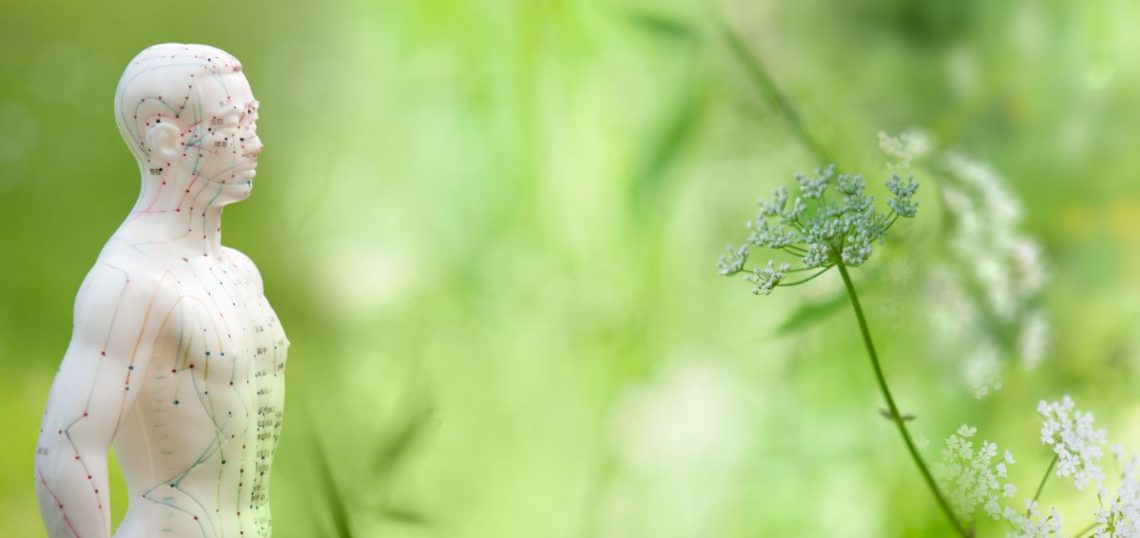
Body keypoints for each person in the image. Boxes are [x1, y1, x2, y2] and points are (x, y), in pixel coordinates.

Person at [34, 43, 287, 538]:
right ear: (165, 139)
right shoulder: (130, 282)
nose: (254, 144)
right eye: (231, 126)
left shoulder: (239, 272)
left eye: (251, 121)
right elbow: (66, 449)